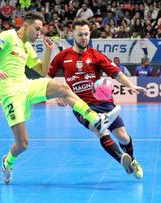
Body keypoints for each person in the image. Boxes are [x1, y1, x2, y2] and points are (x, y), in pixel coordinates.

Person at [0, 12, 121, 184]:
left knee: (62, 87)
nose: (39, 33)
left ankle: (96, 119)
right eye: (37, 29)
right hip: (10, 94)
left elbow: (41, 70)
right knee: (23, 144)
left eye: (41, 30)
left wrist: (48, 51)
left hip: (26, 86)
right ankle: (7, 162)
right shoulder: (8, 36)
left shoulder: (27, 46)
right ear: (25, 26)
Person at [47, 18, 145, 179]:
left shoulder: (96, 55)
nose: (84, 37)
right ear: (73, 34)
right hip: (80, 105)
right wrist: (55, 94)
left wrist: (130, 85)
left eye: (86, 34)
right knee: (100, 130)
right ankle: (121, 159)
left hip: (104, 102)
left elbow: (116, 73)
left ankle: (131, 161)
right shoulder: (63, 56)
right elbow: (48, 76)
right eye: (80, 35)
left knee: (123, 136)